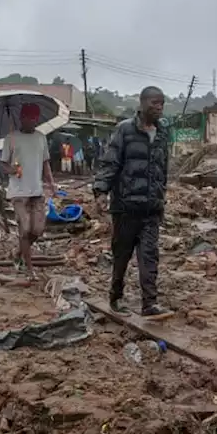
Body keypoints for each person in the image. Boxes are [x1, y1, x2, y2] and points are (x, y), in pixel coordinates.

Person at [92, 86, 173, 319]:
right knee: (122, 254)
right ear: (142, 103)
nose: (159, 108)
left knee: (149, 255)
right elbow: (110, 163)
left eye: (162, 104)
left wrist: (161, 196)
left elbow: (162, 169)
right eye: (155, 103)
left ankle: (150, 303)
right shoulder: (124, 130)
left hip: (151, 208)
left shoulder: (162, 134)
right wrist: (100, 192)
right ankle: (115, 296)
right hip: (126, 208)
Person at [1, 102, 55, 277]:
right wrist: (13, 170)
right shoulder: (11, 138)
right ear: (21, 118)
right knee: (24, 229)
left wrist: (51, 183)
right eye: (27, 118)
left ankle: (18, 252)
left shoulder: (41, 137)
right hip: (18, 192)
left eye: (34, 119)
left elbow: (46, 163)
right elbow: (3, 165)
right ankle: (28, 268)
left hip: (36, 191)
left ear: (37, 119)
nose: (30, 121)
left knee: (37, 230)